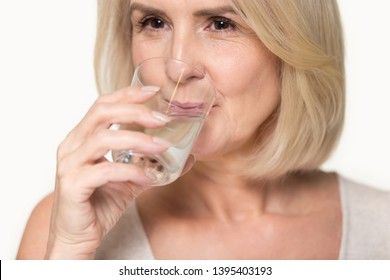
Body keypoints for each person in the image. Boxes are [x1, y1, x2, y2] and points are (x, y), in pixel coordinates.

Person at [16, 0, 390, 260]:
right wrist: (68, 251)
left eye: (222, 24)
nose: (177, 68)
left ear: (291, 46)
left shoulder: (381, 229)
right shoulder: (67, 224)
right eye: (154, 22)